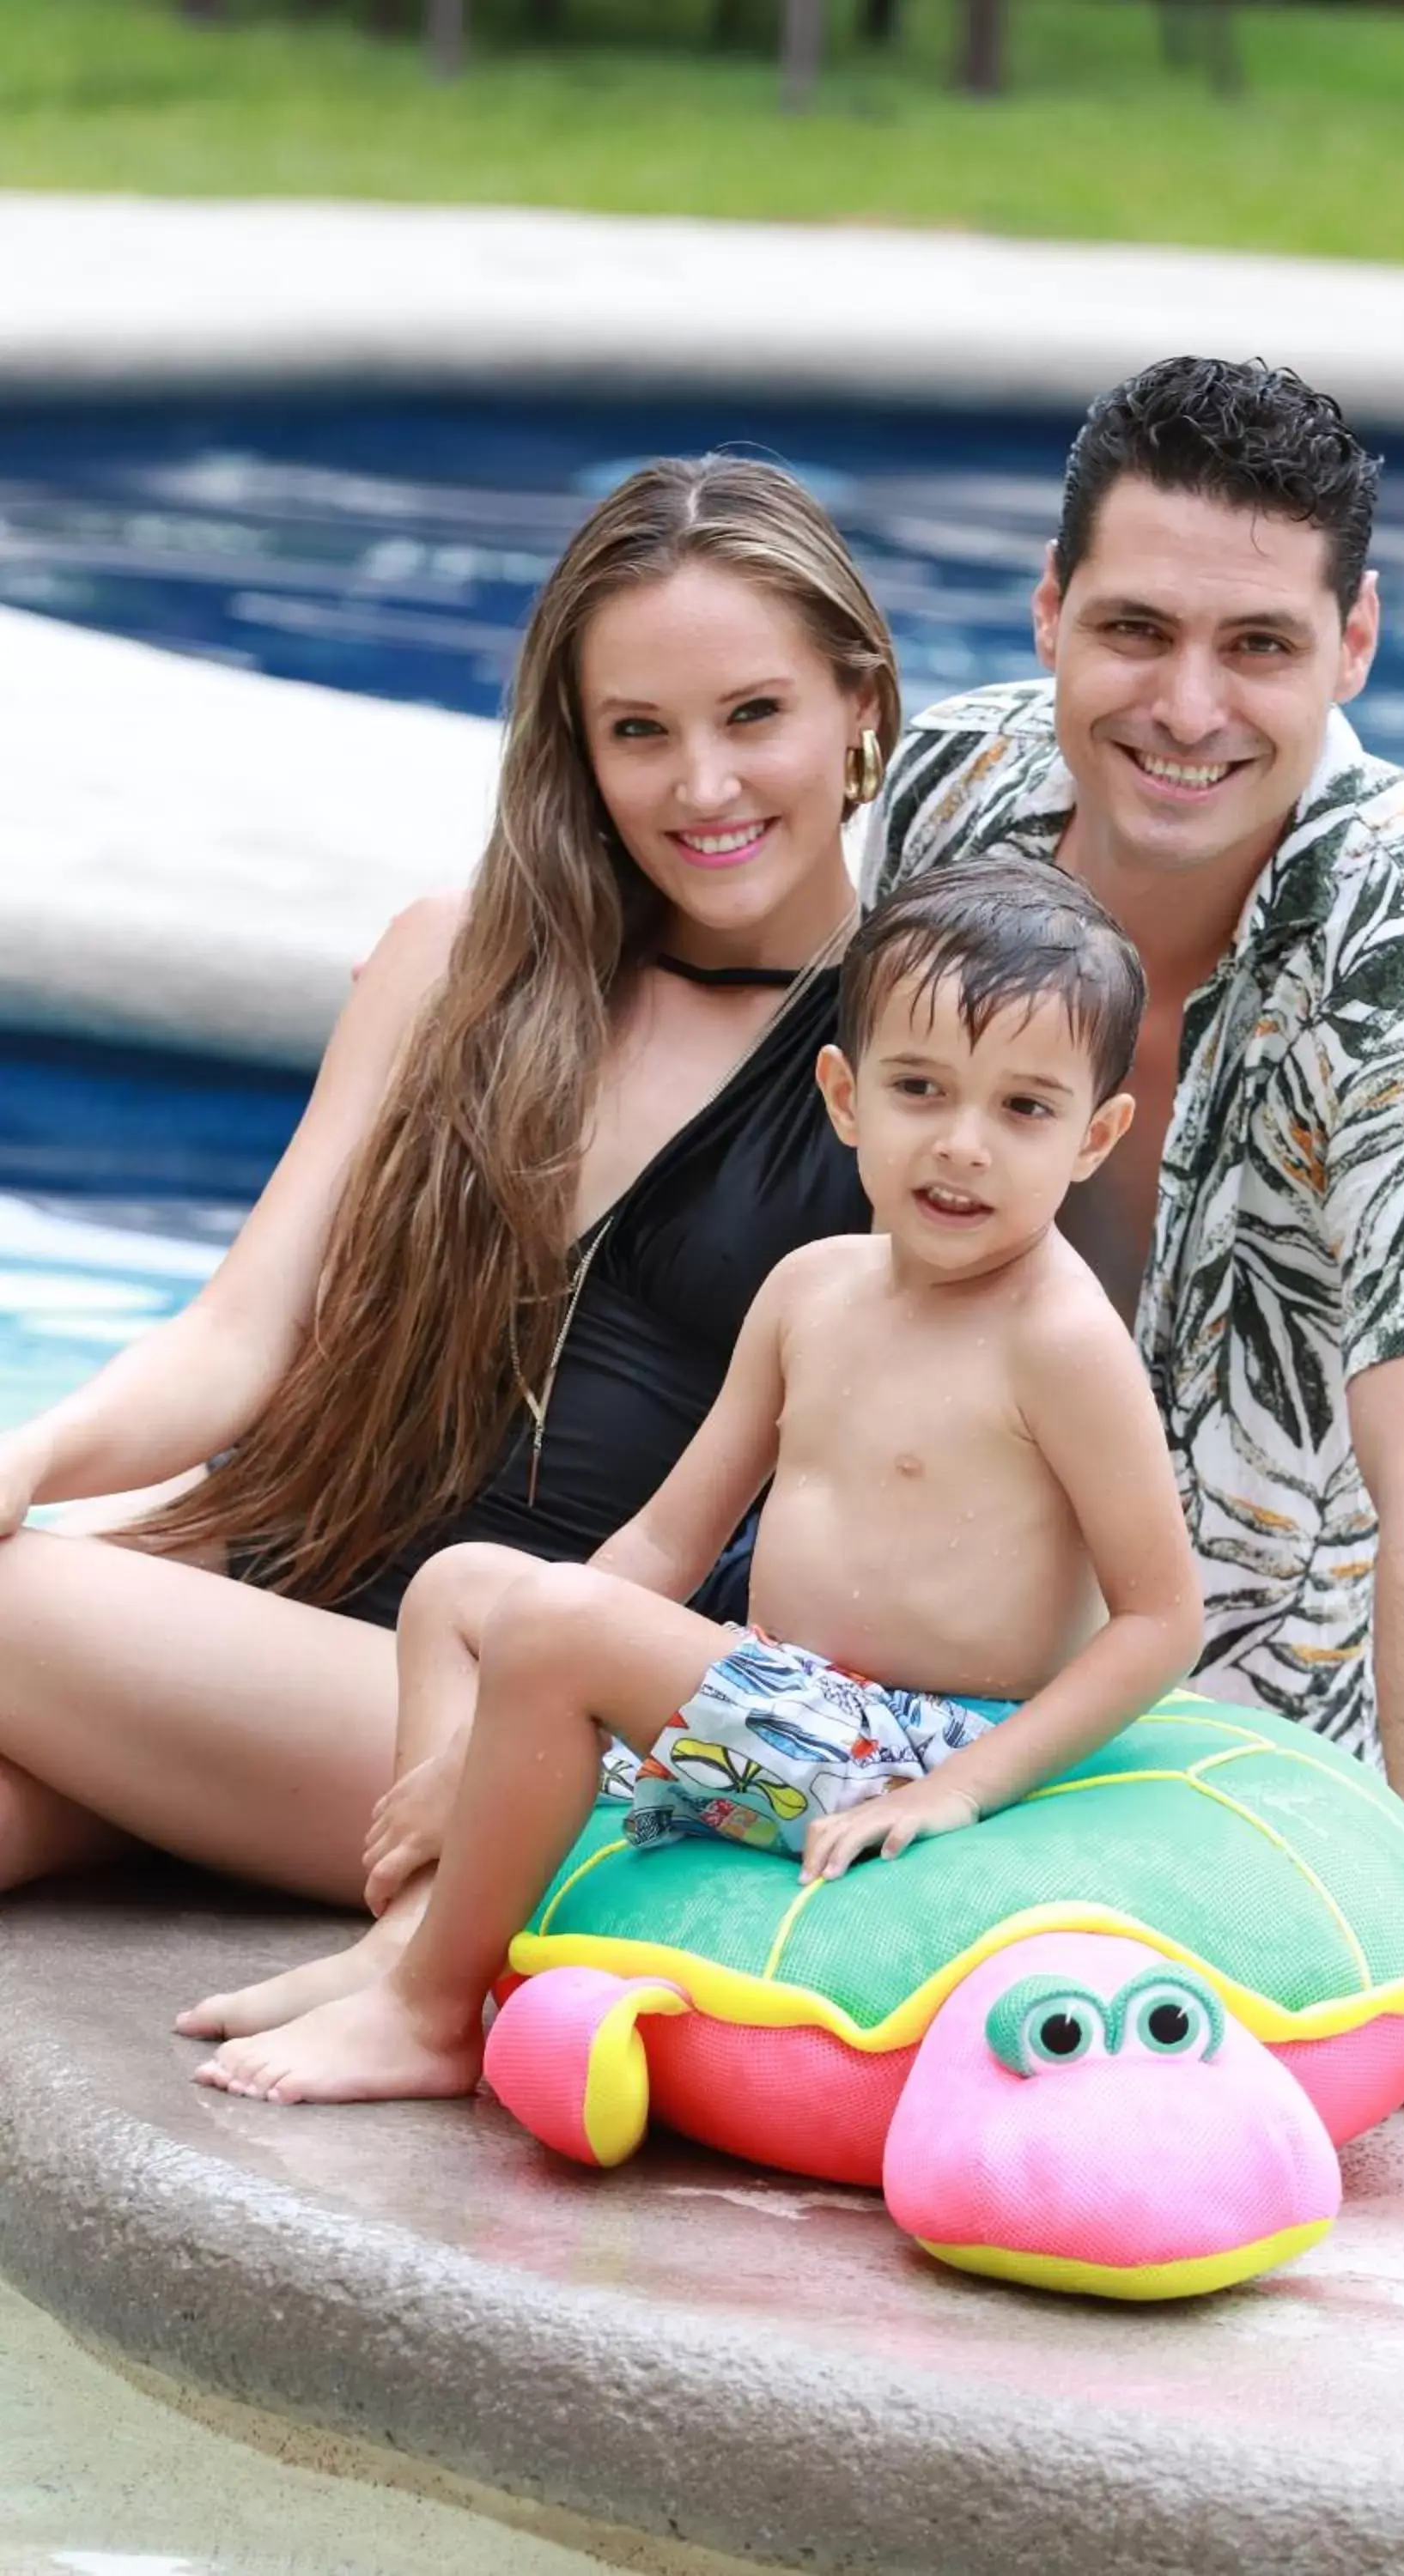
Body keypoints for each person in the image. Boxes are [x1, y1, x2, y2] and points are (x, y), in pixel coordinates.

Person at [0, 457, 896, 2030]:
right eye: (640, 731)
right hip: (268, 1612)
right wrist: (39, 1452)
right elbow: (235, 1339)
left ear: (859, 708)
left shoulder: (910, 1065)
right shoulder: (456, 964)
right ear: (577, 746)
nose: (702, 786)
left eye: (753, 715)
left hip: (519, 1719)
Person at [191, 857, 1204, 2105]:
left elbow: (1165, 1617)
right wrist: (496, 1709)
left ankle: (433, 2016)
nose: (962, 1145)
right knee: (465, 1589)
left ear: (1098, 1134)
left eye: (1025, 1110)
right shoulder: (811, 1288)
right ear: (844, 1096)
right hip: (782, 1696)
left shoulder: (1058, 1339)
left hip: (911, 1740)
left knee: (554, 1622)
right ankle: (409, 1939)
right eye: (919, 1088)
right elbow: (669, 1539)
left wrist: (963, 1788)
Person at [861, 358, 1404, 1956]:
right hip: (899, 1689)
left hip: (1229, 1770)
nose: (1186, 709)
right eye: (1134, 632)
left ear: (1355, 645)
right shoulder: (947, 799)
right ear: (1049, 611)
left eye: (1258, 647)